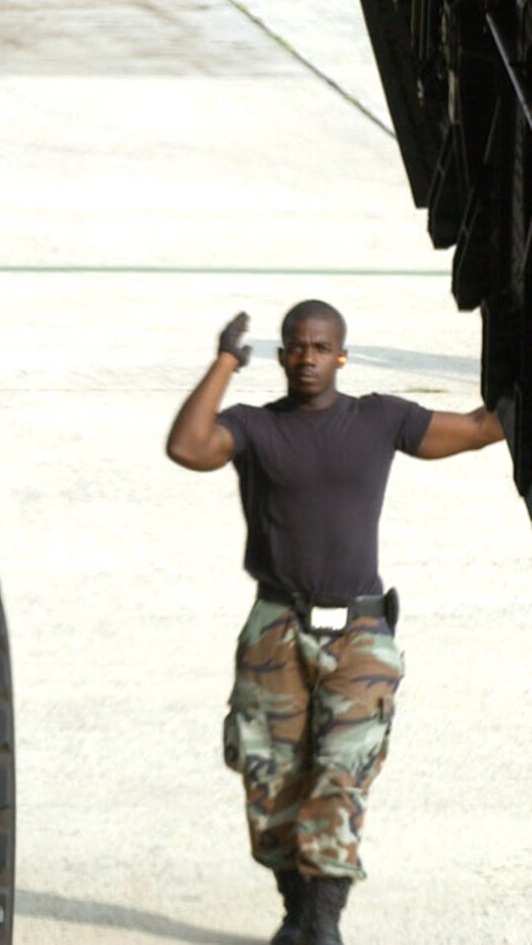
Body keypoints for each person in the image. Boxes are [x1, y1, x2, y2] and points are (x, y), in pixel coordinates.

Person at [165, 302, 502, 945]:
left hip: (360, 633)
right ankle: (296, 914)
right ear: (283, 355)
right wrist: (226, 362)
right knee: (272, 786)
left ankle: (323, 927)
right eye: (296, 347)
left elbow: (482, 428)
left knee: (340, 779)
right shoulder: (256, 427)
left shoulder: (379, 419)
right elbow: (187, 446)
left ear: (341, 354)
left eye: (321, 347)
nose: (308, 358)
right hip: (275, 628)